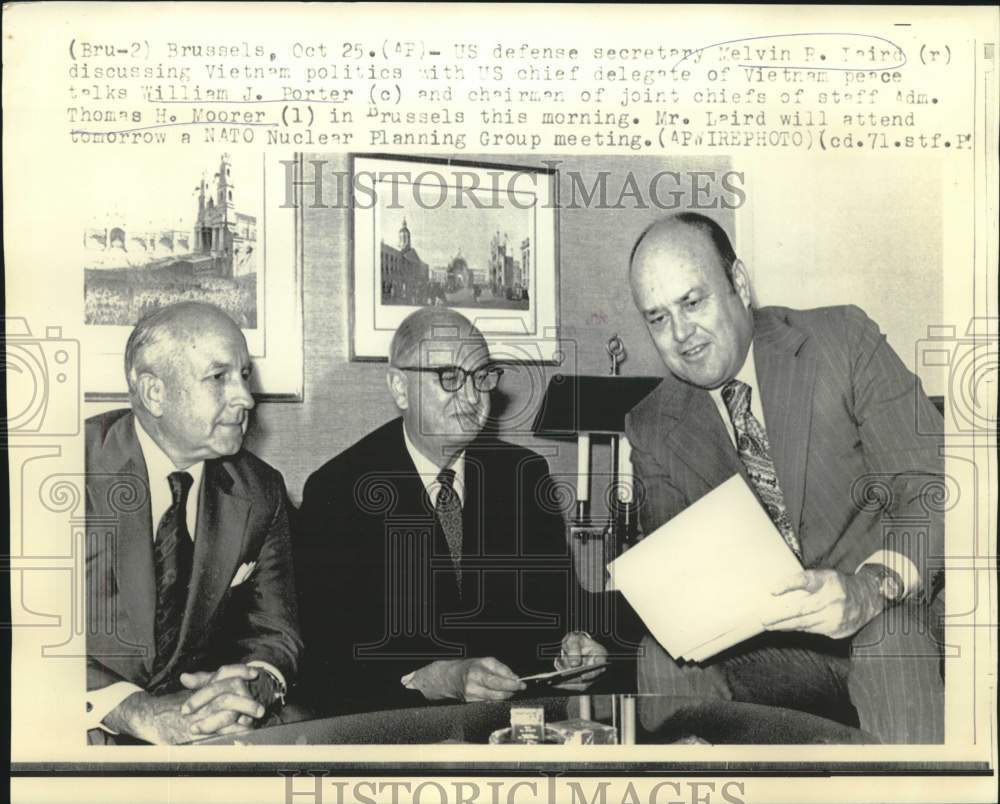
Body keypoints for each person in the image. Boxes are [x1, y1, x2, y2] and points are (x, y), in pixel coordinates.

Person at [624, 212, 945, 743]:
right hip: (775, 648)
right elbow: (676, 578)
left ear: (740, 285)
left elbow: (936, 485)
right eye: (657, 318)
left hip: (895, 618)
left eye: (692, 302)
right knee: (660, 656)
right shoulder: (653, 425)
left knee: (889, 639)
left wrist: (870, 588)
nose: (679, 334)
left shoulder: (840, 342)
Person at [295, 308, 606, 714]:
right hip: (394, 741)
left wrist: (574, 647)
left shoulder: (523, 475)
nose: (474, 397)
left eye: (482, 377)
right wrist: (436, 679)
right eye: (450, 378)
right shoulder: (337, 492)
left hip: (511, 734)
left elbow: (558, 608)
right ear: (400, 388)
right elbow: (325, 664)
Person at [86, 301, 302, 744]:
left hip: (207, 737)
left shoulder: (260, 490)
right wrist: (131, 711)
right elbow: (25, 642)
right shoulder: (62, 470)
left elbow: (275, 630)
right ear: (154, 392)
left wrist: (251, 686)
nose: (245, 398)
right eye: (219, 378)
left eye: (243, 375)